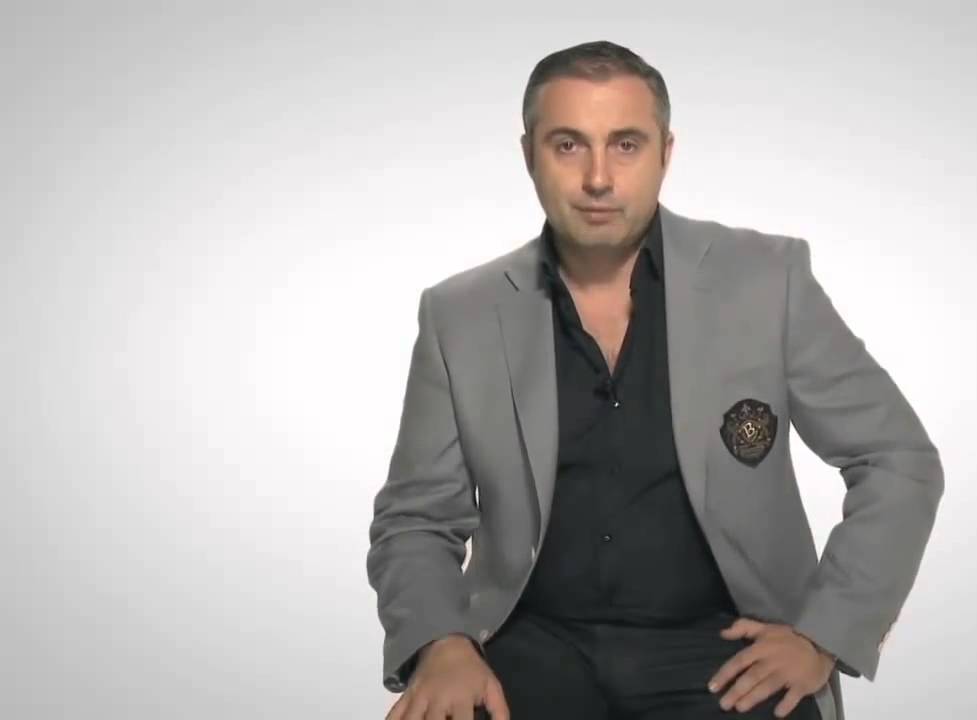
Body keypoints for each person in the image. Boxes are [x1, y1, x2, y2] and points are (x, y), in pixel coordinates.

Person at [366, 40, 943, 720]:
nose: (599, 178)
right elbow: (417, 518)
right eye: (569, 145)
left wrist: (824, 634)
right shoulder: (459, 314)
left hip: (730, 652)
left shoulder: (766, 280)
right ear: (528, 156)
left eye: (626, 145)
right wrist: (440, 643)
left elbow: (897, 460)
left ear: (666, 153)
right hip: (526, 648)